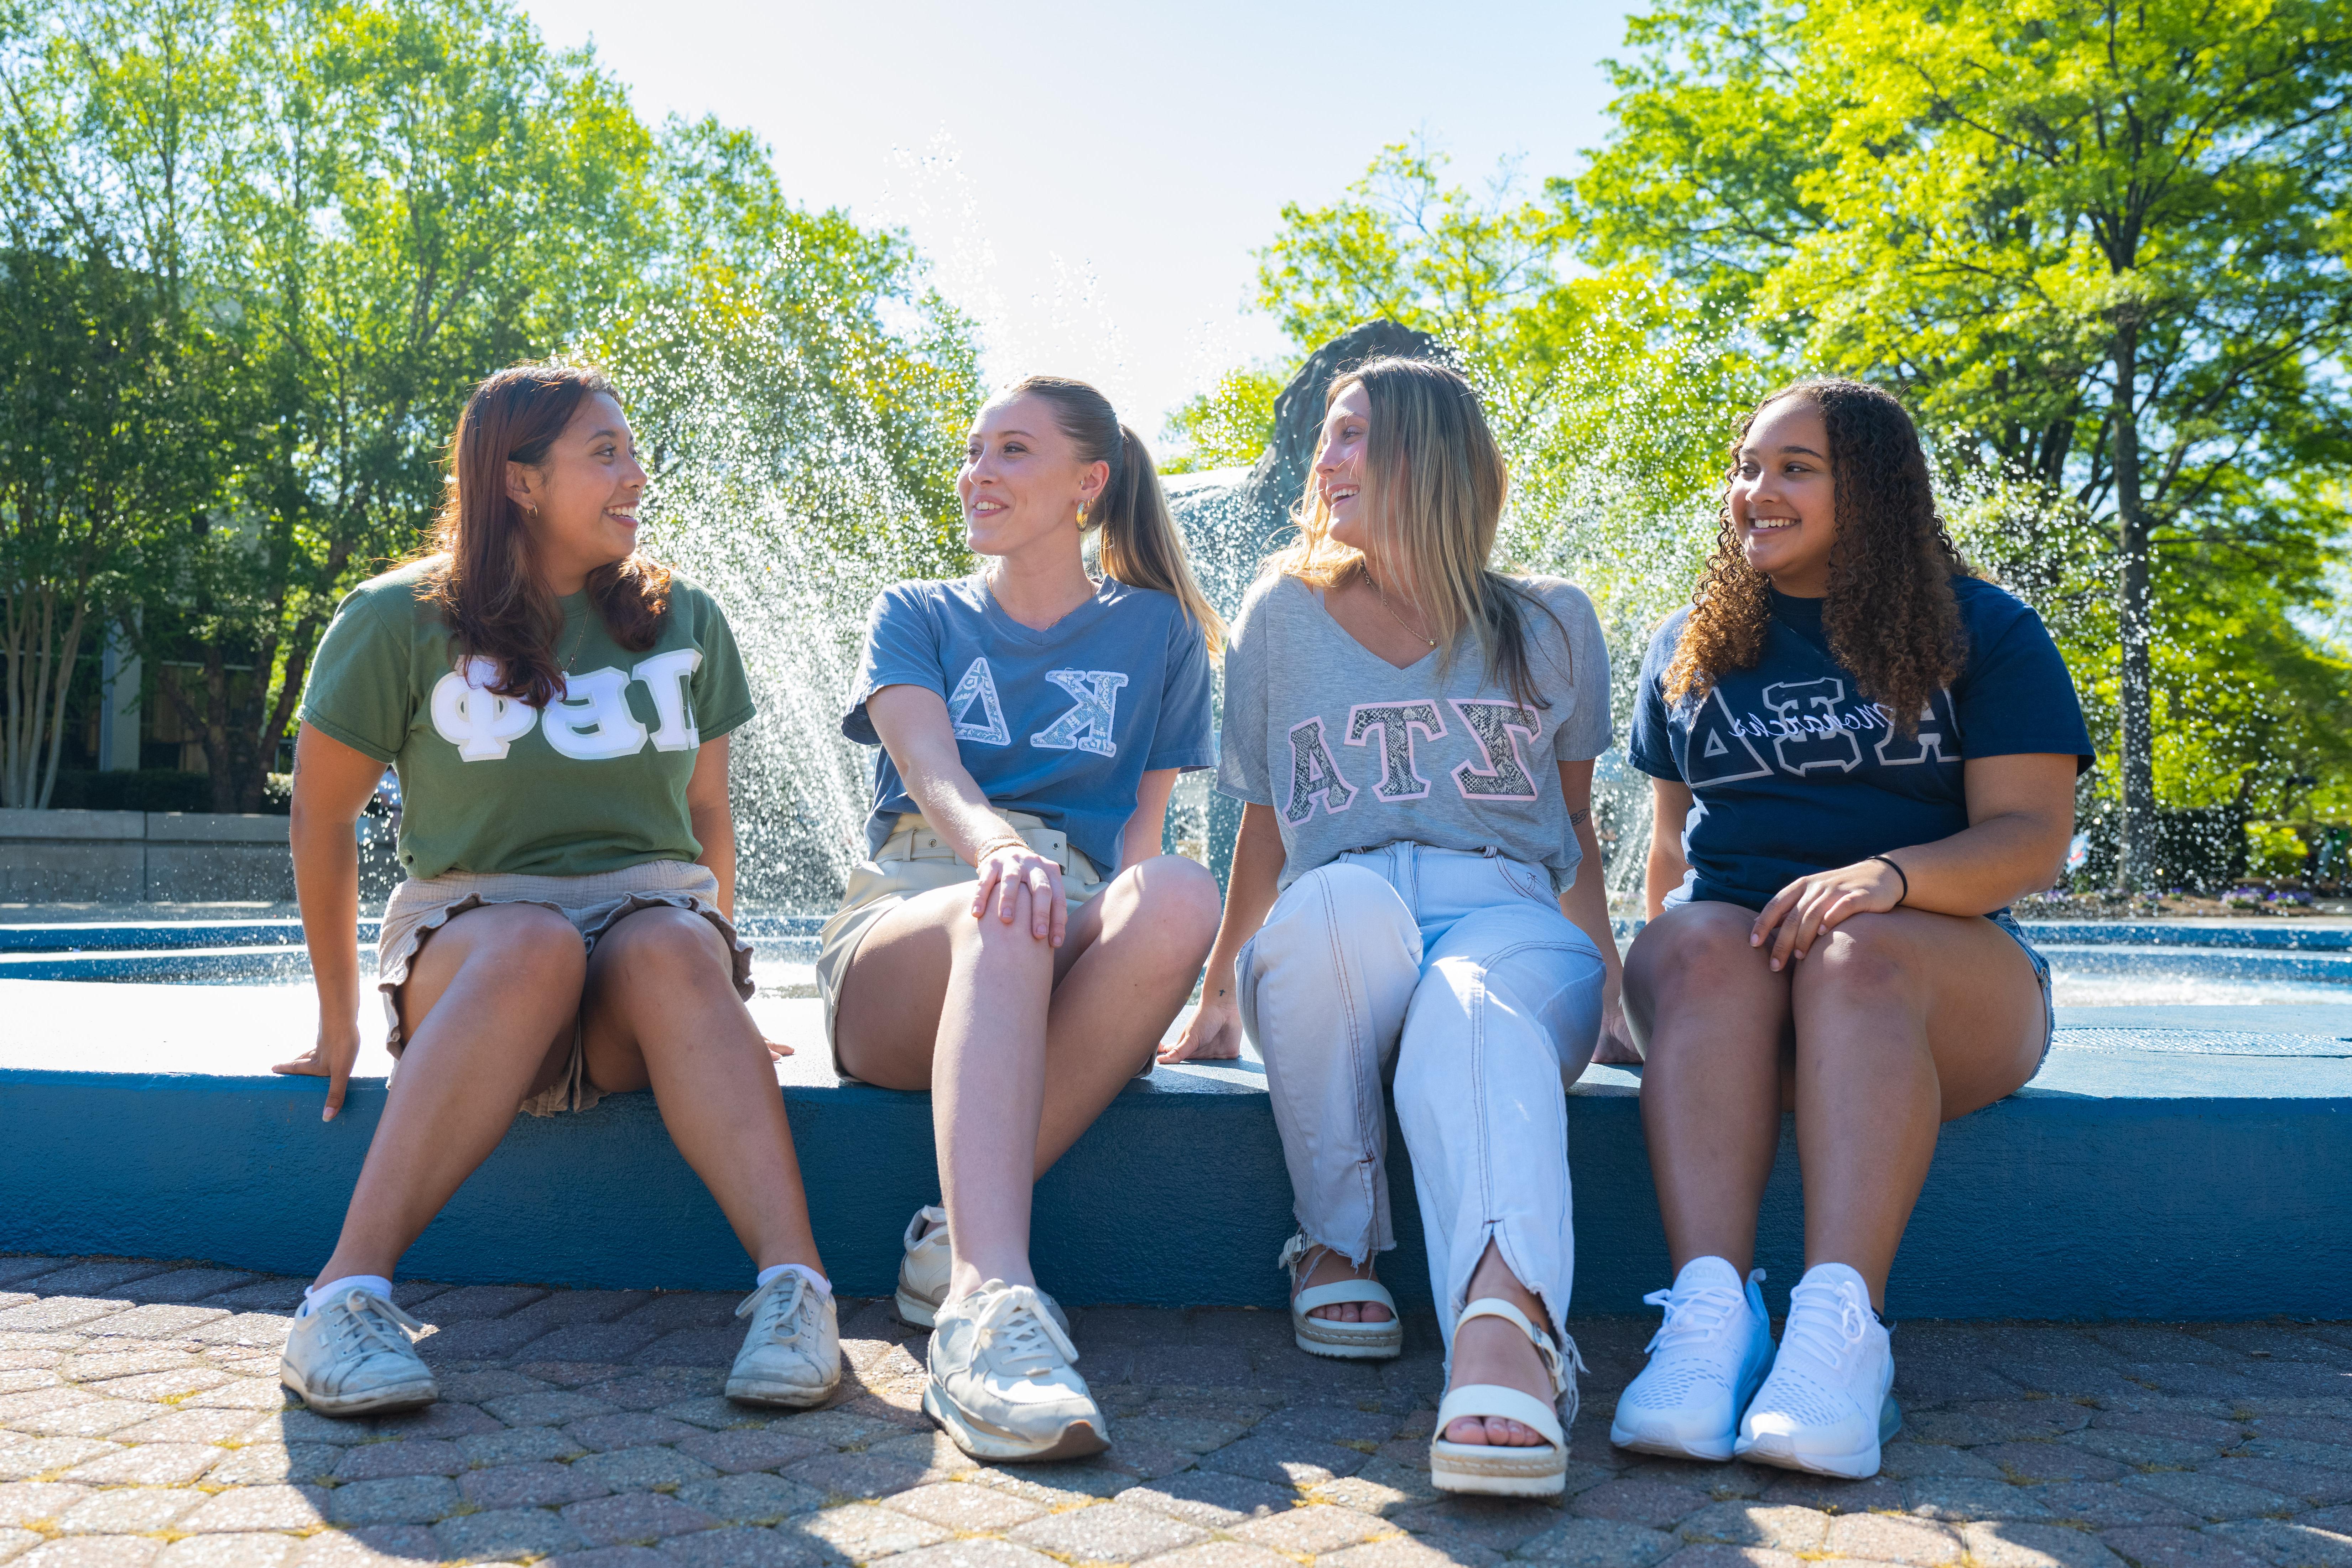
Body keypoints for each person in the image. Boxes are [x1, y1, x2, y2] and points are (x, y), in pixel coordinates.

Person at [275, 364, 838, 1418]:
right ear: (520, 482)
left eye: (631, 449)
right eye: (605, 454)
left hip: (651, 937)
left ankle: (797, 1294)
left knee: (670, 945)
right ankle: (338, 1304)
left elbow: (708, 818)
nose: (636, 475)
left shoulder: (685, 619)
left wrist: (713, 1006)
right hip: (478, 941)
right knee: (532, 939)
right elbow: (324, 816)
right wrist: (338, 1015)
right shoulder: (397, 618)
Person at [1611, 379, 2090, 1479]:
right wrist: (1650, 999)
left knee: (1851, 951)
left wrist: (1887, 877)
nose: (1754, 491)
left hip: (1930, 991)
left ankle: (1840, 1337)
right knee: (1690, 941)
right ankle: (1709, 1323)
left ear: (1870, 488)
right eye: (1745, 465)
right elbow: (1671, 854)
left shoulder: (1984, 630)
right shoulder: (1688, 643)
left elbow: (2030, 838)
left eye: (1794, 468)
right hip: (1741, 1005)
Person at [1167, 356, 1622, 1499]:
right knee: (1338, 908)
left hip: (1506, 916)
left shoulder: (1554, 621)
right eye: (1327, 436)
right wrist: (1221, 985)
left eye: (1353, 435)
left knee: (1471, 1005)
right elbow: (1263, 827)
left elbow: (1574, 827)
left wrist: (1612, 989)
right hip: (1342, 916)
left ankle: (1507, 1327)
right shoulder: (1280, 615)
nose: (1325, 460)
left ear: (1431, 454)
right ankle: (1335, 1237)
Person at [818, 375, 1223, 1462]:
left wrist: (1188, 989)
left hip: (1060, 926)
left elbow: (1141, 841)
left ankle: (949, 1237)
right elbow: (928, 765)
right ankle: (982, 1308)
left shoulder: (1160, 631)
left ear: (1087, 483)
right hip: (911, 922)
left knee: (1184, 888)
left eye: (1011, 451)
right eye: (975, 450)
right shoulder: (918, 611)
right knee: (1005, 906)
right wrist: (1000, 848)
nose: (977, 473)